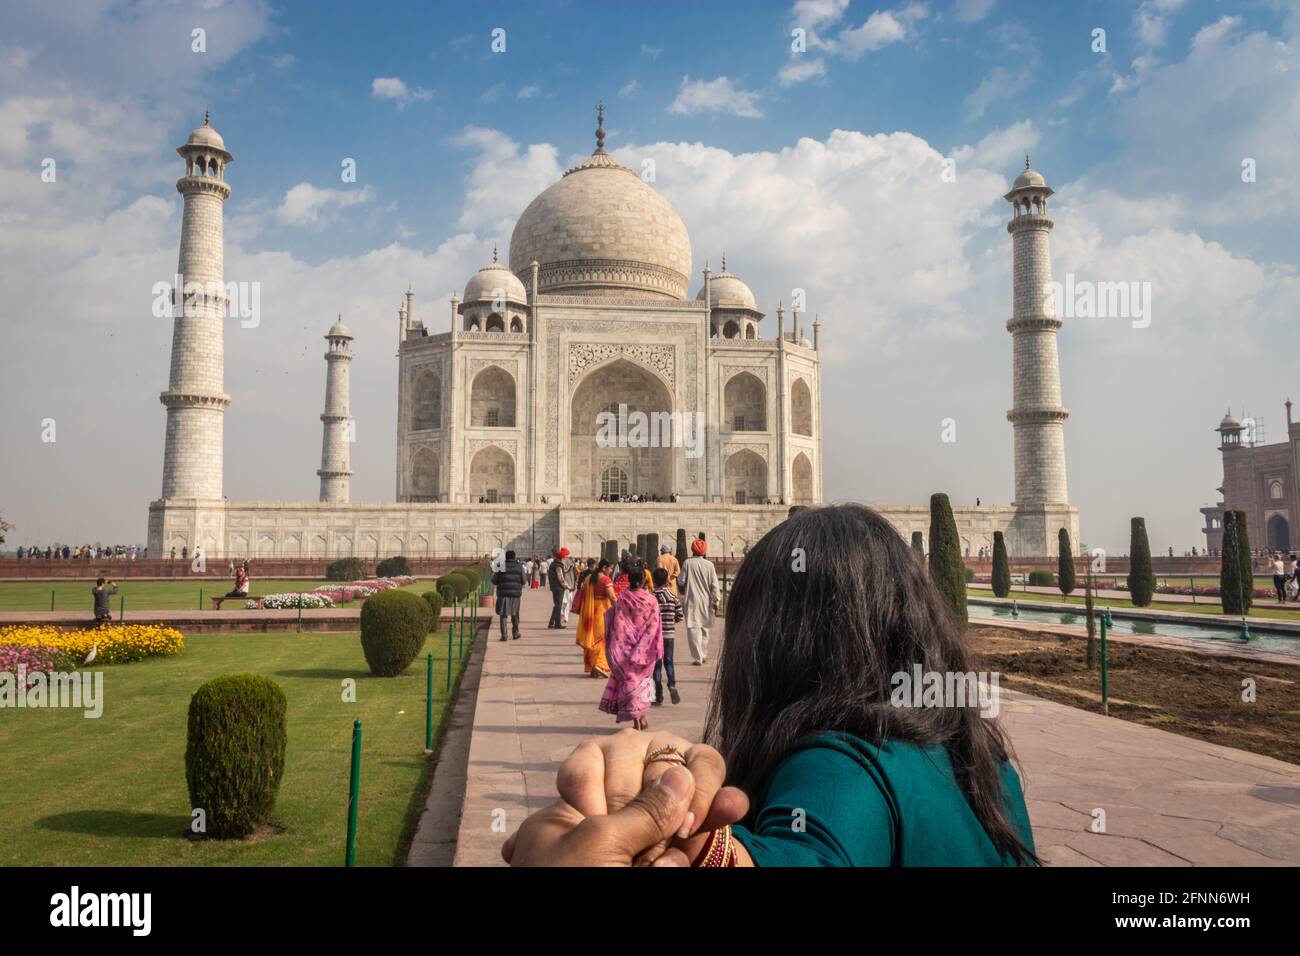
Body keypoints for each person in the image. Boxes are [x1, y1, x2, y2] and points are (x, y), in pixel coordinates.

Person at [505, 503, 1038, 868]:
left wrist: (681, 827)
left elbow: (806, 853)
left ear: (770, 640)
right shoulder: (985, 760)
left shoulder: (840, 763)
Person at [598, 558, 663, 732]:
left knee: (631, 682)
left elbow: (615, 621)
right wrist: (646, 644)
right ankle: (639, 717)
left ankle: (637, 718)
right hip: (645, 648)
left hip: (624, 647)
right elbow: (654, 625)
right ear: (643, 581)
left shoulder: (622, 599)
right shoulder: (651, 600)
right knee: (642, 682)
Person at [678, 537, 720, 665]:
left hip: (692, 600)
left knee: (693, 629)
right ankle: (703, 653)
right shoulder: (710, 565)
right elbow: (715, 584)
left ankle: (698, 657)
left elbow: (681, 580)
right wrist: (716, 600)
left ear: (692, 550)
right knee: (704, 628)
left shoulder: (687, 563)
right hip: (706, 601)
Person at [575, 559, 614, 677]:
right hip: (602, 611)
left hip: (590, 612)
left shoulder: (589, 579)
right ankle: (600, 665)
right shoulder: (605, 580)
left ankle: (592, 667)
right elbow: (612, 596)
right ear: (604, 568)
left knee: (592, 638)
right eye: (610, 568)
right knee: (602, 639)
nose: (611, 571)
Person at [651, 566, 683, 706]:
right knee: (669, 661)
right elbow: (680, 616)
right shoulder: (673, 597)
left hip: (655, 636)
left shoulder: (651, 597)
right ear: (666, 580)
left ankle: (658, 695)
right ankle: (672, 684)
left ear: (654, 580)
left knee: (656, 665)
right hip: (669, 634)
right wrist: (670, 621)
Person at [492, 550, 527, 642]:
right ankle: (515, 634)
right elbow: (524, 580)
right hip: (515, 594)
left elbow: (494, 581)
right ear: (514, 557)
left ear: (505, 557)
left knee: (503, 614)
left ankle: (504, 635)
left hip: (503, 594)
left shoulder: (500, 565)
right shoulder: (519, 567)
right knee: (515, 614)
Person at [547, 548, 568, 629]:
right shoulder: (558, 566)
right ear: (561, 558)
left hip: (554, 587)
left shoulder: (554, 564)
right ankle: (557, 624)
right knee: (558, 605)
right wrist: (568, 587)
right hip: (558, 588)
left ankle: (551, 622)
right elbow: (561, 578)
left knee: (557, 605)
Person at [559, 549, 577, 626]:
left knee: (567, 602)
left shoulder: (570, 561)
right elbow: (562, 572)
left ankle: (565, 617)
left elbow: (575, 573)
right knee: (564, 601)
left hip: (570, 583)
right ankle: (562, 614)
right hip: (566, 584)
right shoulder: (562, 561)